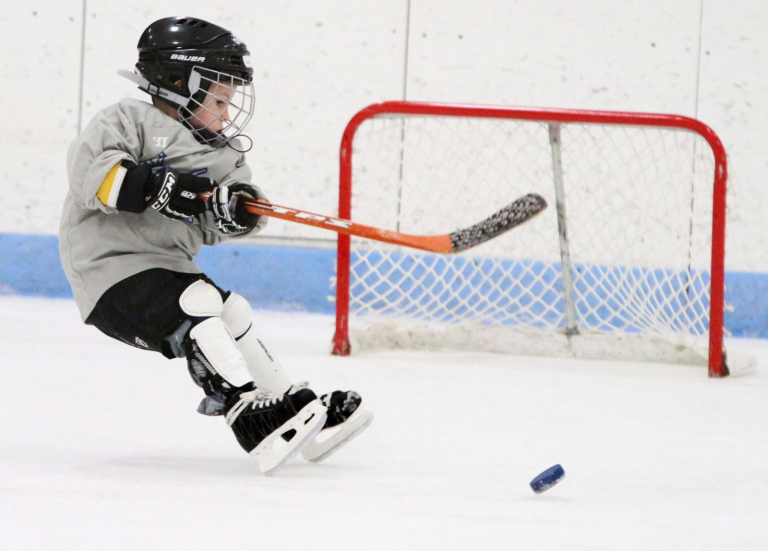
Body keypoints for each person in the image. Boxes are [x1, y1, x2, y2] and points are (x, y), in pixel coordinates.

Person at [59, 16, 372, 475]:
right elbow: (92, 176)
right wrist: (160, 186)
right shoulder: (126, 121)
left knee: (233, 310)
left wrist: (236, 212)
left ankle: (287, 406)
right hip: (107, 272)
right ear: (177, 82)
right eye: (220, 100)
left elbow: (221, 223)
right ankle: (246, 414)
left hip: (168, 269)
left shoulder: (221, 154)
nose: (227, 114)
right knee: (201, 301)